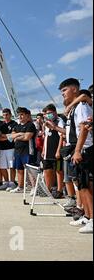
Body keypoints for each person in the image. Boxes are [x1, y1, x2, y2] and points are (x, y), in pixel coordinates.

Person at [59, 78, 93, 233]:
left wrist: (78, 150)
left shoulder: (81, 106)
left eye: (64, 91)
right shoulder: (74, 108)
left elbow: (84, 129)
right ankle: (87, 215)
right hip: (77, 150)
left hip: (85, 150)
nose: (63, 95)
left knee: (86, 186)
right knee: (81, 185)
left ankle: (92, 219)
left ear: (74, 89)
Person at [9, 107, 37, 193]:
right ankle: (20, 187)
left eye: (22, 114)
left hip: (27, 151)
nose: (20, 117)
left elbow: (27, 137)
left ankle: (33, 188)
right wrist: (20, 134)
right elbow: (11, 137)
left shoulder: (30, 125)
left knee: (29, 170)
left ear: (27, 116)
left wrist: (17, 136)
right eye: (19, 115)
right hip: (17, 151)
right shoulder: (16, 126)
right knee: (19, 169)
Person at [41, 104, 65, 197]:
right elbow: (46, 137)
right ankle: (48, 189)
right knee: (47, 170)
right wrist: (43, 150)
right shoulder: (47, 123)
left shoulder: (59, 121)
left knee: (58, 171)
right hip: (47, 152)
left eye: (50, 113)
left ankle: (59, 190)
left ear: (55, 112)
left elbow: (61, 136)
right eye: (47, 114)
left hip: (56, 151)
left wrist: (59, 150)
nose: (48, 115)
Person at [0, 108, 18, 191]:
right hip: (2, 149)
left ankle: (12, 182)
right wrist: (8, 136)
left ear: (10, 115)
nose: (5, 116)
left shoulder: (14, 124)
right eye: (4, 115)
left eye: (7, 114)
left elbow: (13, 136)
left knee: (12, 166)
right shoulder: (1, 124)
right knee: (2, 167)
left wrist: (6, 136)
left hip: (11, 148)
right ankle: (6, 182)